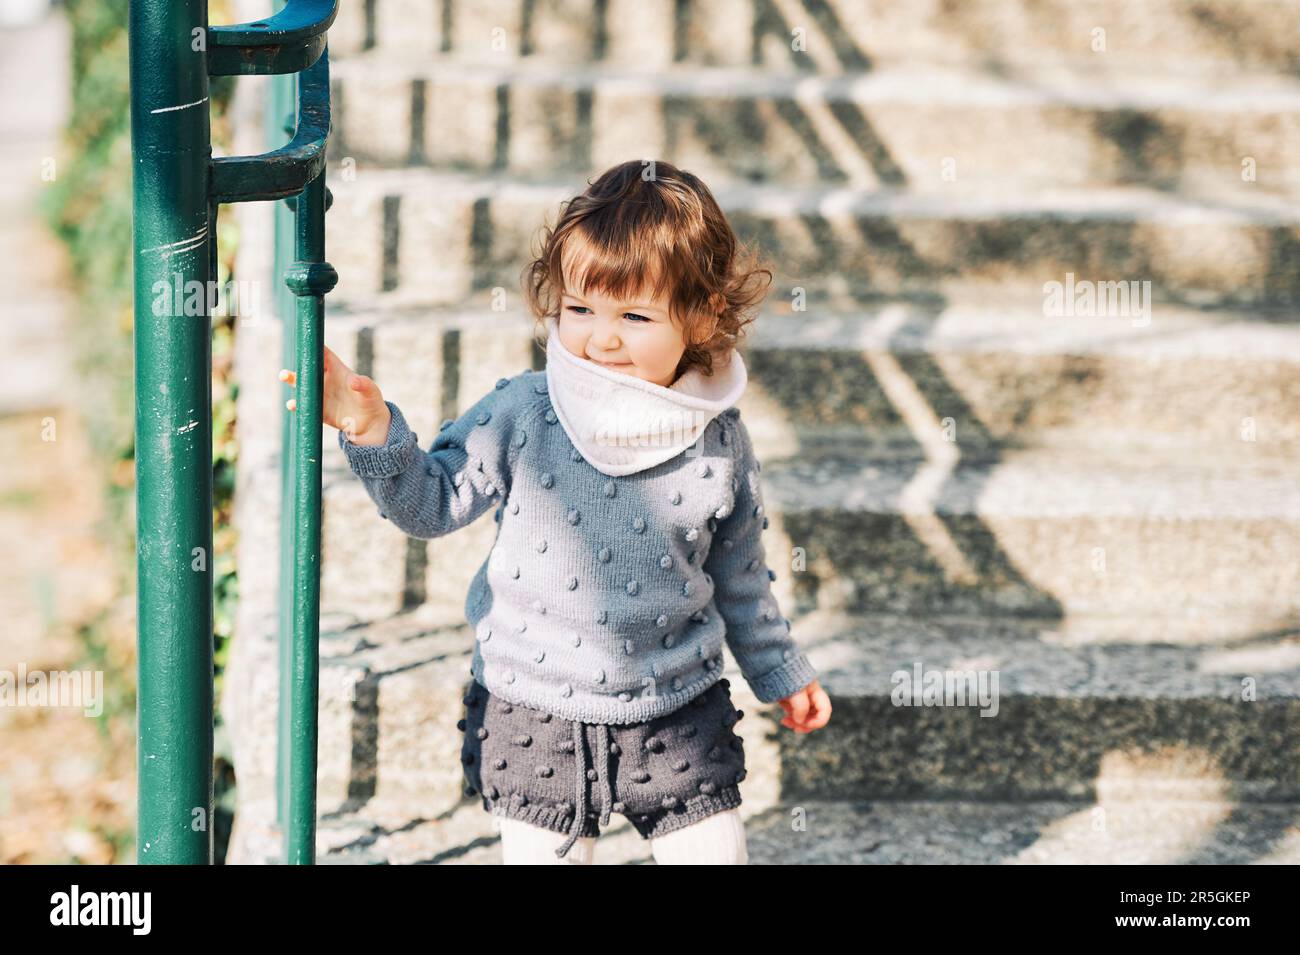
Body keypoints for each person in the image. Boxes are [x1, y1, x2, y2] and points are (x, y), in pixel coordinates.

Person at [281, 159, 832, 864]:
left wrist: (780, 669)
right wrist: (372, 429)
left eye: (635, 316)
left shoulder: (716, 437)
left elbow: (742, 576)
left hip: (678, 708)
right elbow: (432, 502)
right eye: (580, 309)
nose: (601, 338)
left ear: (701, 316)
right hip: (534, 708)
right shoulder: (525, 410)